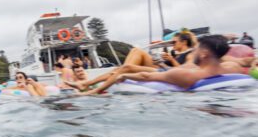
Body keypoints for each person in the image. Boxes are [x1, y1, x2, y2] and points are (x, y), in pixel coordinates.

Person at [83, 35, 232, 95]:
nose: (173, 44)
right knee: (123, 65)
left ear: (204, 53)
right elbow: (243, 61)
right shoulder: (232, 68)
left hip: (167, 72)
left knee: (124, 69)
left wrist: (124, 76)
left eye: (174, 42)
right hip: (166, 69)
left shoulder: (189, 64)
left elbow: (146, 75)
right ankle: (88, 84)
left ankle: (91, 89)